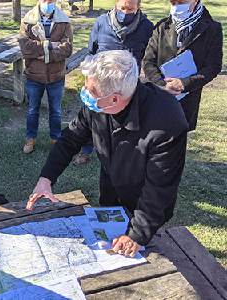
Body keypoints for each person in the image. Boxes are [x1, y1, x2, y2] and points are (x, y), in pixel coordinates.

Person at [27, 50, 188, 257]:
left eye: (90, 90)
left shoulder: (168, 122)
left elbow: (160, 186)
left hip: (145, 202)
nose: (84, 91)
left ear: (114, 99)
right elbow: (70, 138)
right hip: (112, 189)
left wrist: (137, 234)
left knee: (148, 255)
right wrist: (46, 178)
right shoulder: (96, 104)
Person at [74, 0, 154, 166]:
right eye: (122, 8)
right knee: (93, 118)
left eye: (130, 9)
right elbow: (91, 52)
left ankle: (119, 154)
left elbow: (150, 58)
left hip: (127, 89)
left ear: (138, 6)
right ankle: (86, 150)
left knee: (123, 124)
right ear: (116, 4)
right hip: (101, 87)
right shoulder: (101, 23)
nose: (125, 12)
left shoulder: (147, 27)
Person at [142, 0, 222, 131]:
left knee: (179, 142)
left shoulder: (213, 29)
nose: (176, 7)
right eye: (173, 2)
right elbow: (148, 61)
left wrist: (185, 83)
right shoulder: (162, 26)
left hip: (188, 99)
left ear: (195, 1)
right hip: (159, 97)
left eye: (181, 2)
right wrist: (162, 85)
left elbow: (213, 66)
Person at [19, 0, 73, 153]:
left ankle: (55, 138)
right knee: (32, 110)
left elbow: (67, 48)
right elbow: (25, 47)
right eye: (44, 0)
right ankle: (31, 138)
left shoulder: (64, 20)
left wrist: (42, 55)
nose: (47, 3)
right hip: (34, 76)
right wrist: (49, 46)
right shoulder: (28, 20)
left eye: (50, 1)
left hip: (56, 76)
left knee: (55, 111)